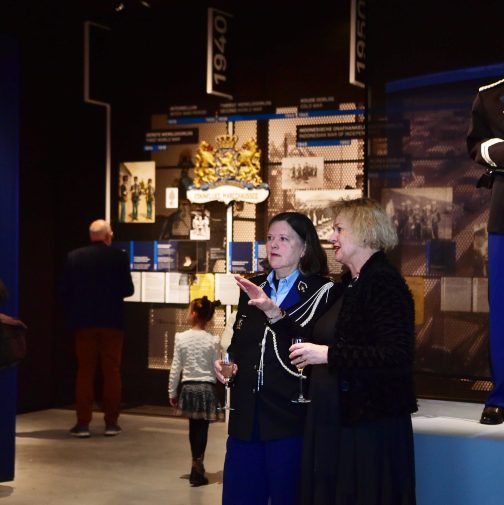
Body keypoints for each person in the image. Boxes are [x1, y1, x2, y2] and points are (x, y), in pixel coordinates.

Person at [289, 197, 417, 505]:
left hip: (367, 430)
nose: (331, 237)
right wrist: (274, 314)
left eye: (338, 229)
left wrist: (328, 355)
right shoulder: (349, 285)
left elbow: (396, 355)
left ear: (365, 232)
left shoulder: (384, 283)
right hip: (338, 424)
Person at [214, 211, 336, 505]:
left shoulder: (323, 290)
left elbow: (313, 346)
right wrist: (227, 363)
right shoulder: (253, 286)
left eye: (284, 238)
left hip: (289, 417)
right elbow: (241, 340)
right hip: (246, 417)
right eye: (269, 238)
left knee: (288, 495)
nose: (274, 245)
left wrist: (274, 312)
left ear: (305, 247)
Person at [61, 219, 134, 438]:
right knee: (112, 371)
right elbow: (128, 289)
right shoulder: (118, 257)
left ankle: (83, 423)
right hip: (112, 322)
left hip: (83, 323)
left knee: (85, 371)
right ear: (107, 236)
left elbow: (64, 290)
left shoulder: (74, 257)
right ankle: (111, 423)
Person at [467, 78, 504, 425]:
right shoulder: (490, 94)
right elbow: (476, 144)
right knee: (503, 310)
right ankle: (501, 395)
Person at [168, 296, 223, 487]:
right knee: (203, 429)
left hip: (189, 388)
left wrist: (172, 392)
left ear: (193, 314)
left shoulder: (181, 338)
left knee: (193, 428)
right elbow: (217, 367)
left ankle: (196, 465)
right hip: (206, 388)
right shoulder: (213, 340)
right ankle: (197, 466)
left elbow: (176, 367)